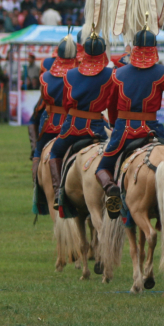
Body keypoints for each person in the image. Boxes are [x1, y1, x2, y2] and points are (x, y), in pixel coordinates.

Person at [95, 25, 164, 217]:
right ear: (154, 49)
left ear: (133, 48)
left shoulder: (118, 74)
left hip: (124, 130)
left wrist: (116, 125)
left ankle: (112, 193)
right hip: (152, 129)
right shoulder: (162, 72)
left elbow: (111, 104)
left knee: (103, 167)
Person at [47, 33, 113, 208]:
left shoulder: (70, 74)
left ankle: (59, 193)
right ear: (103, 51)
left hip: (72, 127)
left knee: (55, 153)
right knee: (114, 153)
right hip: (98, 127)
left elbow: (67, 102)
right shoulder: (111, 74)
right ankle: (113, 187)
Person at [33, 36, 77, 190]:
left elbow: (45, 97)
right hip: (73, 122)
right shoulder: (78, 74)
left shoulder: (45, 76)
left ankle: (37, 187)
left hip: (51, 121)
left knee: (39, 149)